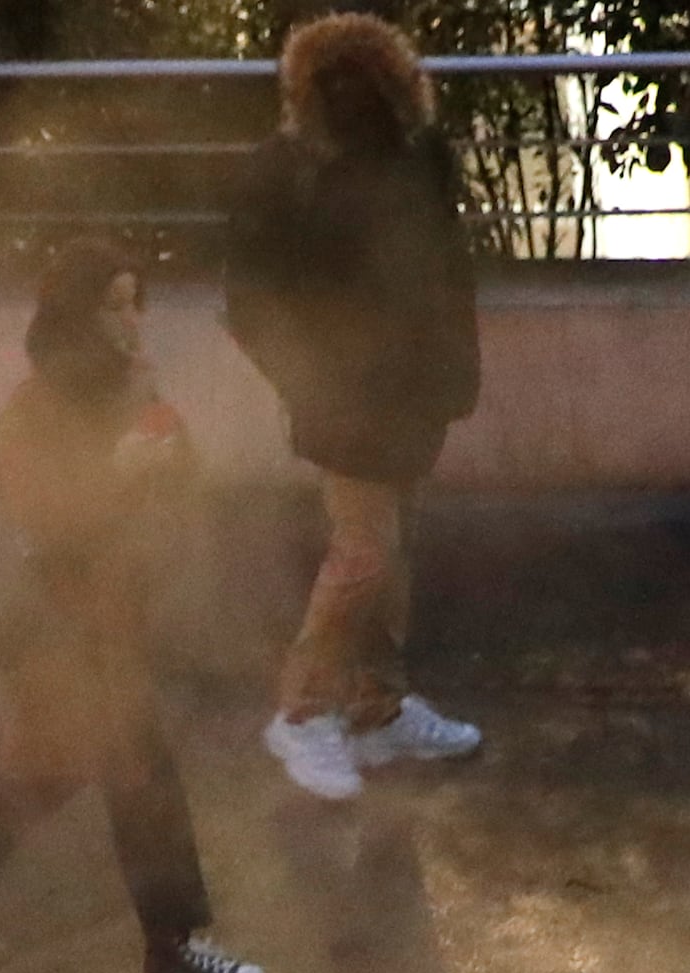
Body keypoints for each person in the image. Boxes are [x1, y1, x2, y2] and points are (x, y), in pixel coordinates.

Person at [0, 245, 264, 973]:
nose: (132, 319)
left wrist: (167, 462)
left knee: (52, 768)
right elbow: (38, 514)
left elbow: (178, 475)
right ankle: (172, 947)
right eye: (115, 304)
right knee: (139, 772)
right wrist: (115, 475)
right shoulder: (39, 404)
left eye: (136, 302)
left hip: (114, 611)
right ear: (79, 316)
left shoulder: (136, 382)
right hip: (63, 621)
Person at [224, 10, 484, 804]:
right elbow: (251, 301)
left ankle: (375, 708)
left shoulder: (411, 157)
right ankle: (303, 711)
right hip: (353, 398)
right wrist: (311, 382)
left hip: (409, 394)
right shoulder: (300, 167)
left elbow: (444, 269)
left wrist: (452, 372)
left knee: (383, 554)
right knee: (365, 554)